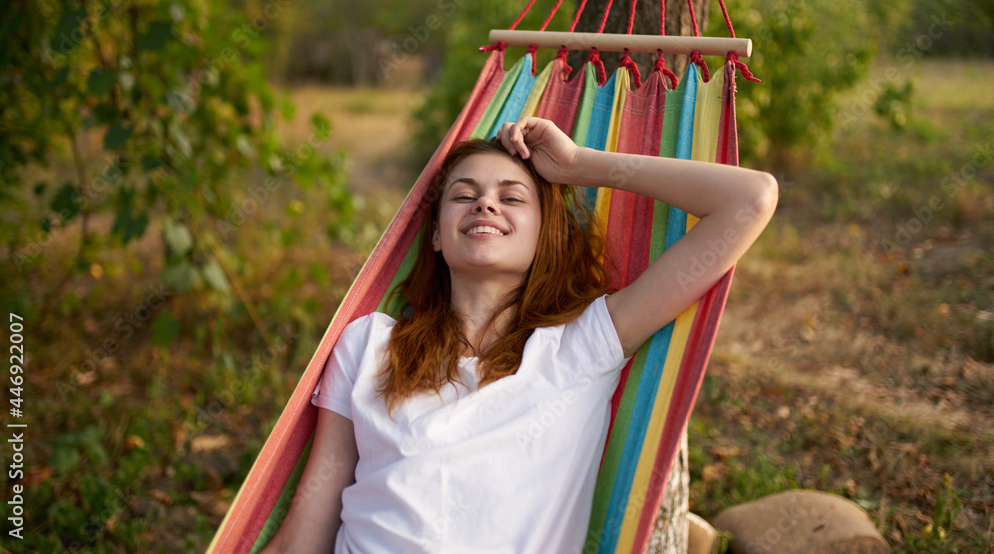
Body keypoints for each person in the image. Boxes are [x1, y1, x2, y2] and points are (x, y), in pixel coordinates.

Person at [262, 116, 777, 554]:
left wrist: (578, 166)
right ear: (437, 234)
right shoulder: (368, 343)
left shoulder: (581, 346)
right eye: (464, 195)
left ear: (542, 234)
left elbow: (750, 199)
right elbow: (306, 528)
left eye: (511, 197)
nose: (485, 205)